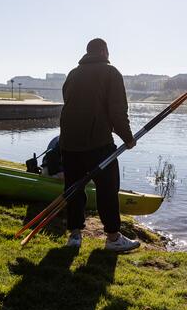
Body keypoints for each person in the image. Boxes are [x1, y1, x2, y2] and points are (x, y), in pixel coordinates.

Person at [60, 38, 139, 252]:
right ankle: (113, 238)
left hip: (68, 142)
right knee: (107, 190)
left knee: (73, 189)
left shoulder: (73, 74)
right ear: (104, 51)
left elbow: (69, 101)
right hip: (98, 143)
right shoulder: (111, 72)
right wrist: (128, 138)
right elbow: (117, 111)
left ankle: (75, 236)